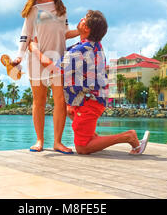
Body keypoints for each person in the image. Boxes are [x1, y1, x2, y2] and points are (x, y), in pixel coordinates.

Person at [29, 10, 150, 155]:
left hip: (89, 102)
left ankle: (128, 137)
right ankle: (91, 137)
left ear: (86, 28)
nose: (80, 19)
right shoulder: (93, 43)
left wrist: (34, 49)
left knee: (82, 148)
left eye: (84, 20)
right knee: (68, 110)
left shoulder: (79, 51)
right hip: (87, 99)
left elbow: (53, 68)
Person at [12, 0, 79, 153]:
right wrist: (19, 56)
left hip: (57, 59)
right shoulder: (35, 9)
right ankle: (40, 140)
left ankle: (57, 142)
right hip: (37, 60)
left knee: (59, 101)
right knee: (39, 101)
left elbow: (65, 33)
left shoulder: (62, 10)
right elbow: (26, 34)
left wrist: (80, 31)